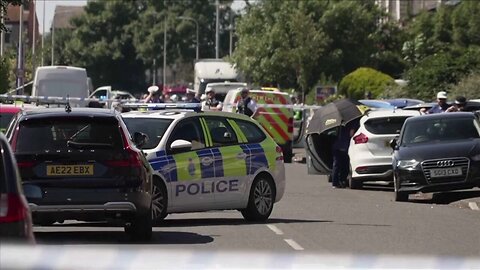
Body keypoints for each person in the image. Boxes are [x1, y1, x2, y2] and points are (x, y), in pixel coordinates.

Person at [331, 119, 359, 188]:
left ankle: (335, 183)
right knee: (345, 166)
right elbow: (351, 133)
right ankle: (342, 181)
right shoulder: (354, 121)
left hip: (337, 145)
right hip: (345, 145)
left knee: (337, 165)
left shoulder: (340, 120)